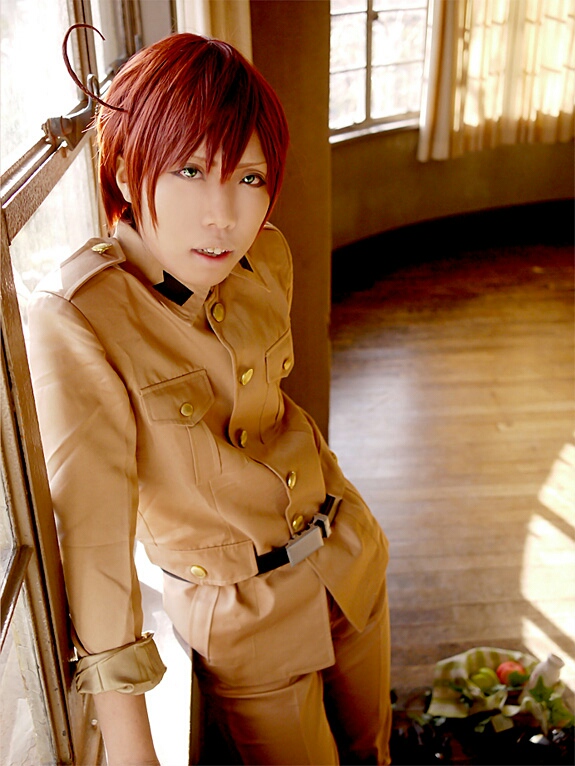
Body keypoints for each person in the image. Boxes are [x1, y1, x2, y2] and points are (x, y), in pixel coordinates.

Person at [28, 31, 391, 766]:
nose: (223, 214)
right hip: (245, 616)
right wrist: (133, 750)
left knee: (376, 749)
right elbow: (94, 547)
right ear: (125, 169)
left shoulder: (265, 256)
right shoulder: (80, 317)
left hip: (349, 552)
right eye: (190, 170)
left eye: (249, 177)